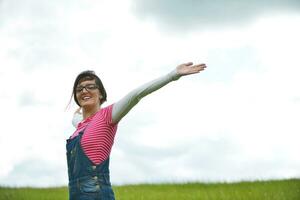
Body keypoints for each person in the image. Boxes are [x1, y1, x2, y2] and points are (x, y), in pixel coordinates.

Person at [67, 62, 207, 200]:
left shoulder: (107, 116)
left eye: (90, 87)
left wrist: (172, 75)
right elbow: (75, 119)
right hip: (74, 195)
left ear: (101, 94)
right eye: (79, 89)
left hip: (97, 193)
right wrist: (78, 115)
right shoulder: (79, 126)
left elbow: (136, 95)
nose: (84, 91)